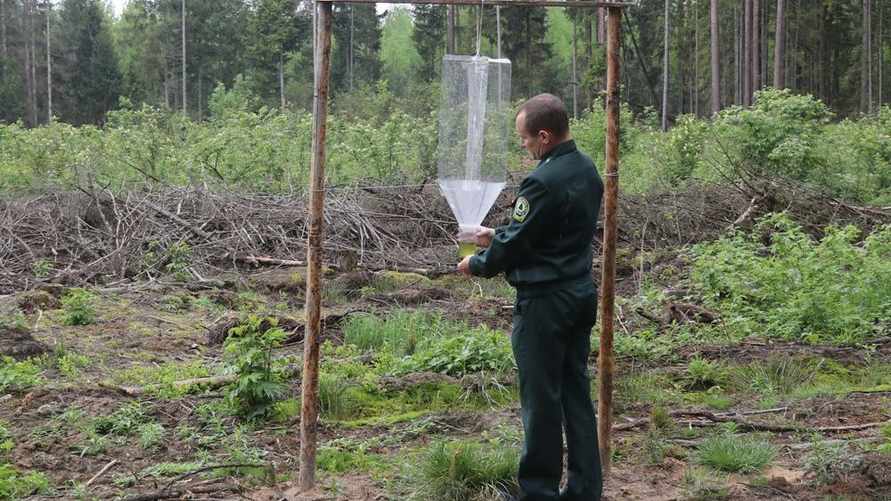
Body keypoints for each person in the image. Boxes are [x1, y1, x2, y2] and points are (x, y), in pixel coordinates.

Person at [457, 93, 604, 501]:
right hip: (579, 294)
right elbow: (550, 231)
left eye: (524, 138)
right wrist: (495, 234)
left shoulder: (542, 180)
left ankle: (538, 492)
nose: (523, 146)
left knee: (541, 401)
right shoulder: (587, 169)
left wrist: (478, 263)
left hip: (544, 304)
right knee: (575, 395)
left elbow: (520, 242)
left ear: (544, 136)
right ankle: (585, 490)